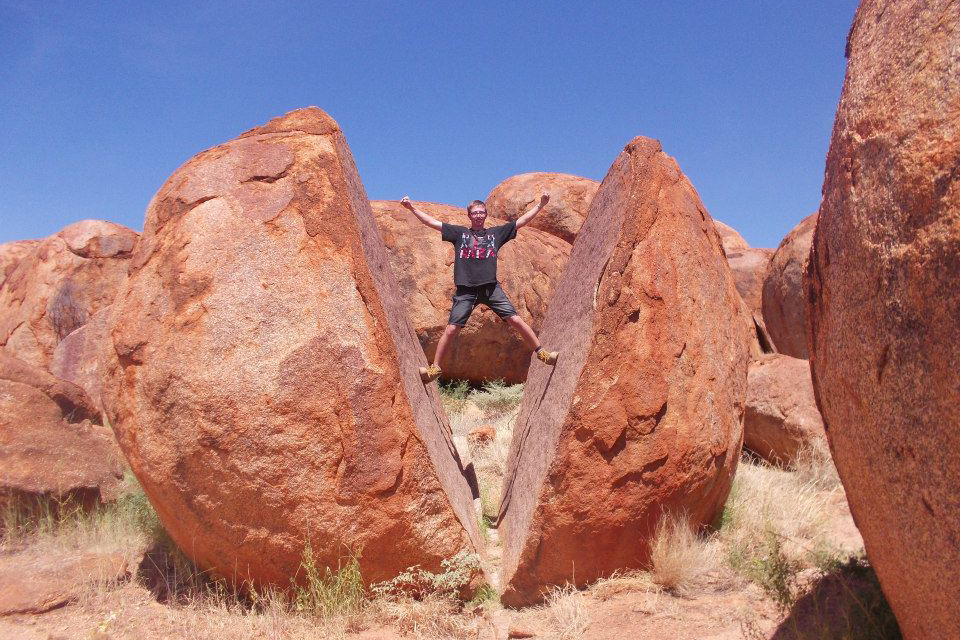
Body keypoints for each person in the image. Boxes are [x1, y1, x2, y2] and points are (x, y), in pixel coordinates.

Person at [400, 195, 559, 383]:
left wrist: (540, 205)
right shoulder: (459, 234)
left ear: (485, 215)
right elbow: (432, 222)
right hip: (465, 290)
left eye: (481, 212)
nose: (478, 215)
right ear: (469, 215)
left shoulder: (495, 234)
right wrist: (412, 208)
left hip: (490, 288)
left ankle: (542, 354)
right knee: (451, 329)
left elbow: (521, 221)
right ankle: (435, 369)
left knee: (515, 319)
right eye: (474, 212)